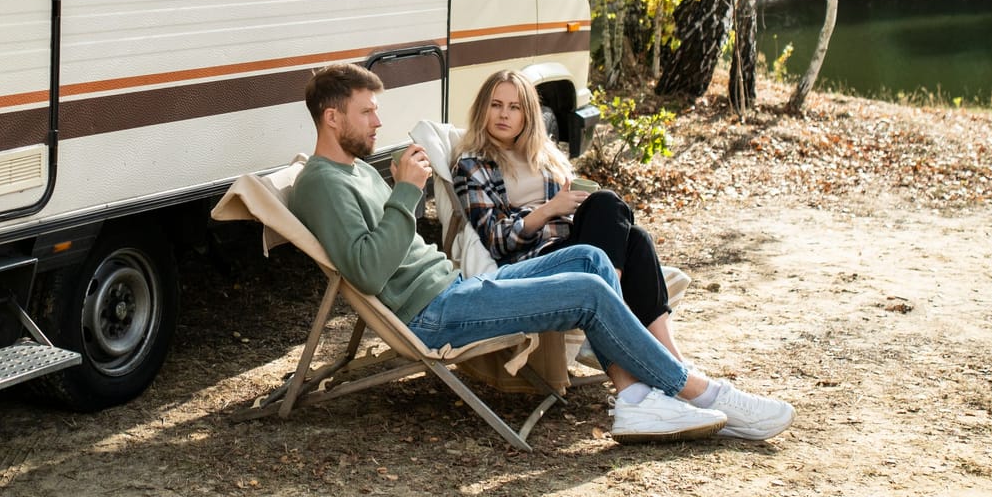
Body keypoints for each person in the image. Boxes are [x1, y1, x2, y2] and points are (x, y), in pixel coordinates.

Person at [288, 63, 795, 443]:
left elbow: (387, 249)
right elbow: (368, 271)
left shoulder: (354, 172)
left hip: (455, 288)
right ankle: (702, 392)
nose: (379, 121)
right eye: (367, 111)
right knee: (591, 291)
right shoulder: (322, 183)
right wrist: (406, 192)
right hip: (432, 314)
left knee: (595, 260)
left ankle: (635, 397)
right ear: (333, 118)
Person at [454, 70, 683, 361]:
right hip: (535, 259)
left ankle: (673, 357)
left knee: (634, 234)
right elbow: (496, 240)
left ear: (528, 115)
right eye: (496, 105)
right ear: (482, 109)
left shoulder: (545, 155)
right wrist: (550, 209)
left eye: (514, 107)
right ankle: (613, 316)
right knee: (610, 208)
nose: (504, 115)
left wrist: (576, 205)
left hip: (573, 245)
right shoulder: (472, 166)